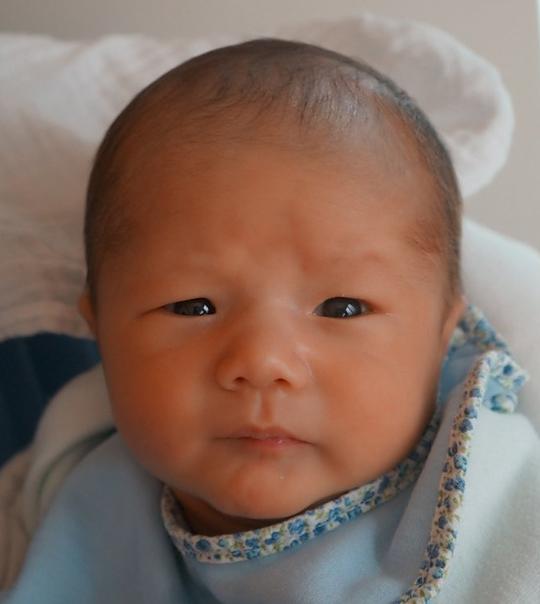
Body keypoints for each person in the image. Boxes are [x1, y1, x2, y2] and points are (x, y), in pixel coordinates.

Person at [2, 39, 537, 604]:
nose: (262, 361)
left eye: (342, 308)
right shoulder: (69, 492)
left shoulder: (495, 497)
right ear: (101, 329)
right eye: (194, 307)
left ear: (440, 337)